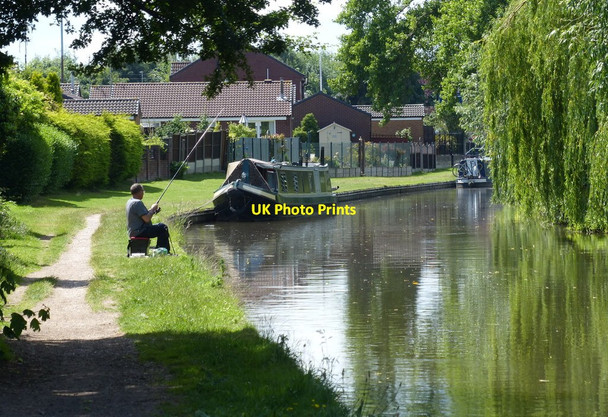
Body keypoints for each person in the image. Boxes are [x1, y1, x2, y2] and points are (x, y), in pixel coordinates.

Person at [126, 183, 170, 253]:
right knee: (163, 227)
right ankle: (163, 251)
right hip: (139, 231)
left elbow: (143, 215)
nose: (143, 193)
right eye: (143, 191)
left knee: (161, 227)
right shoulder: (137, 203)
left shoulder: (130, 201)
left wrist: (153, 211)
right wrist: (152, 209)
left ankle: (161, 249)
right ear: (140, 192)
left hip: (134, 231)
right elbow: (146, 219)